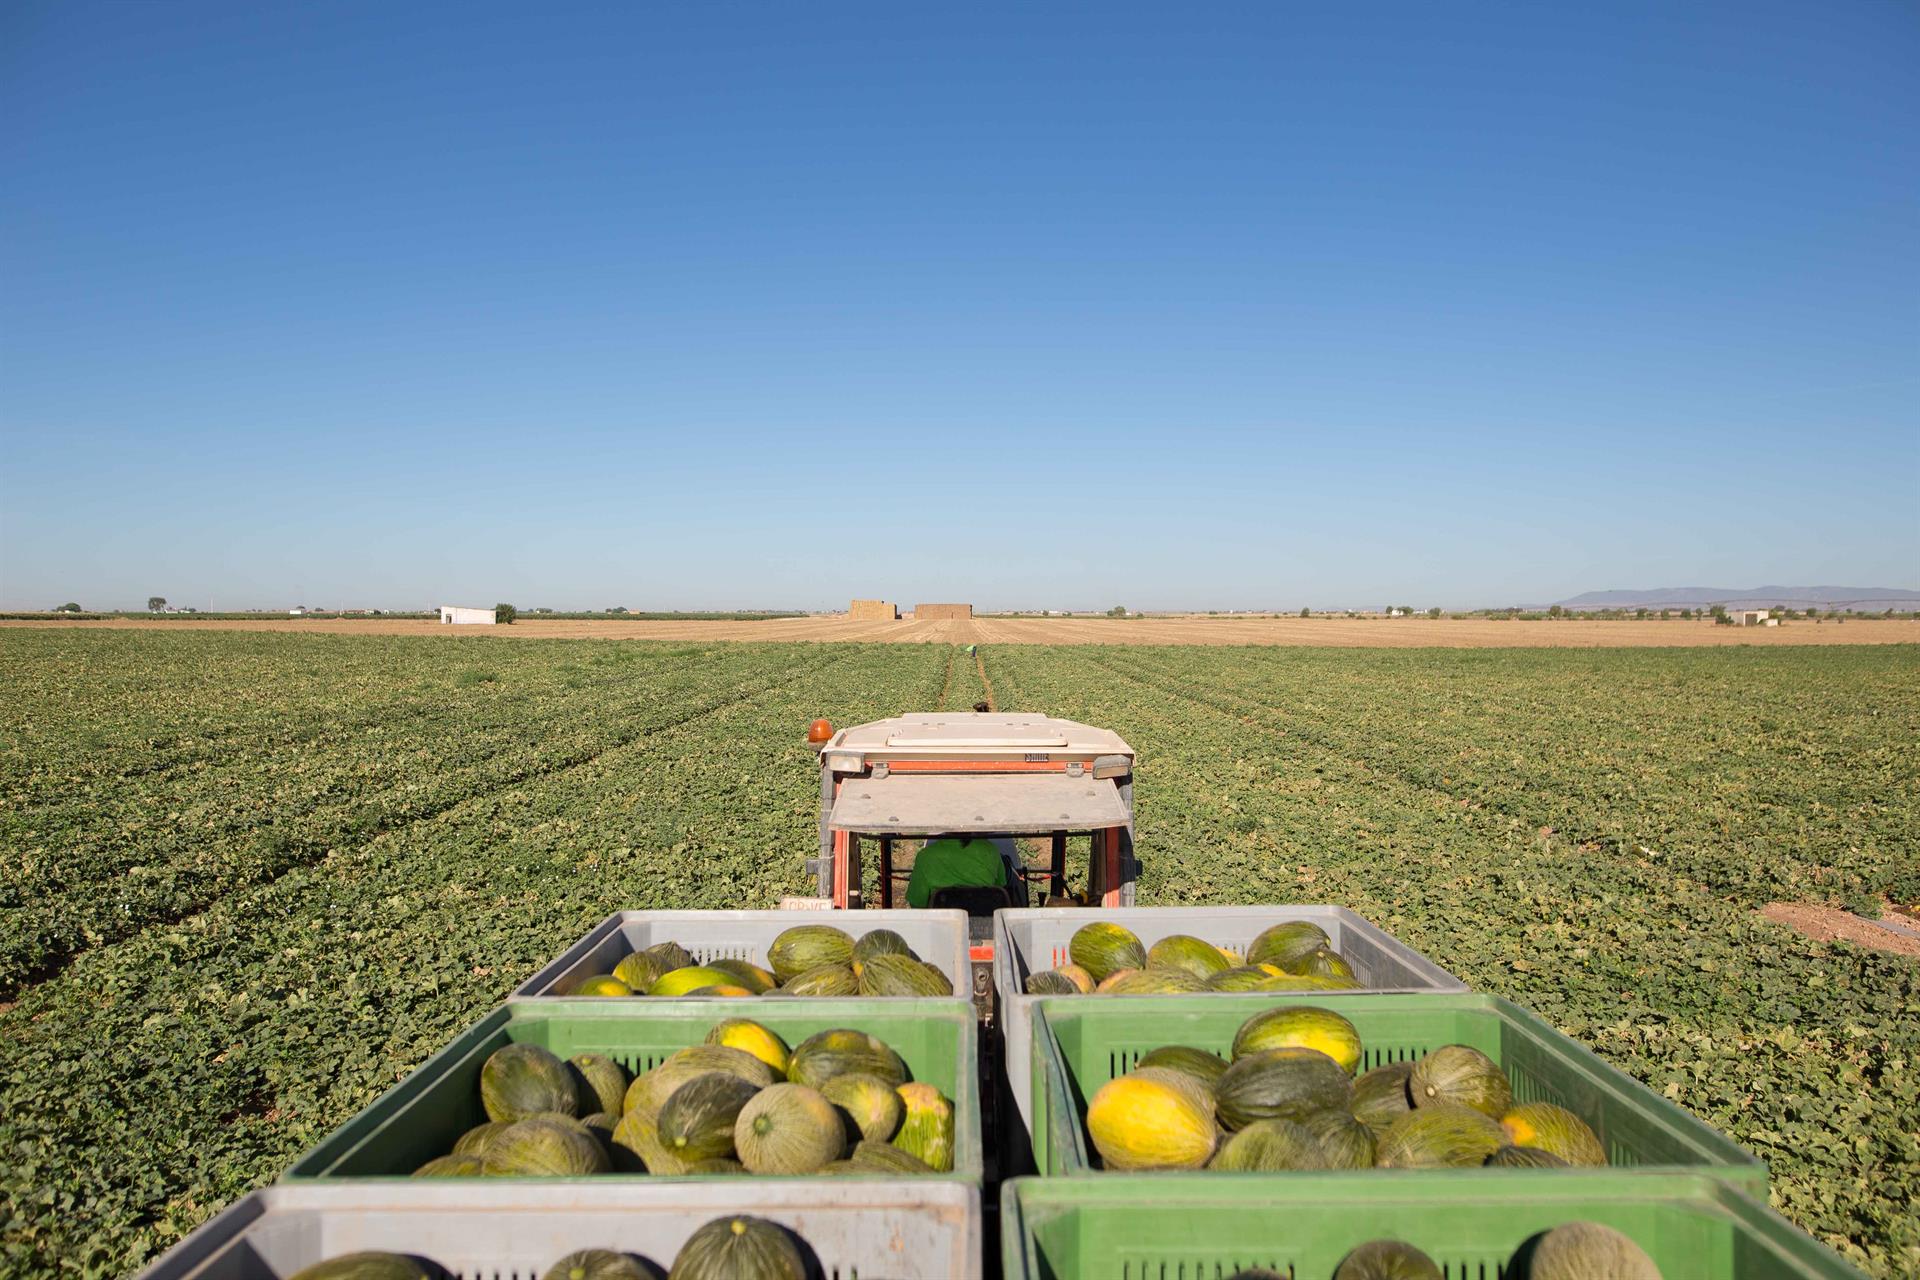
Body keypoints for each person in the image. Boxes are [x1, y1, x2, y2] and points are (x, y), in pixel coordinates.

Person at [905, 833, 1016, 908]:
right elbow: (1001, 884)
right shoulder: (990, 849)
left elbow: (917, 902)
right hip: (985, 928)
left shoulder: (926, 856)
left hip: (941, 931)